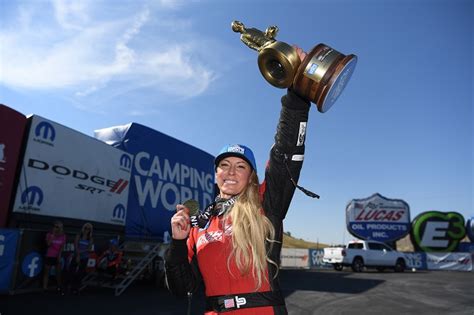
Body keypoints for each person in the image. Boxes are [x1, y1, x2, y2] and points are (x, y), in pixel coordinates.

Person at [165, 48, 314, 314]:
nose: (231, 171)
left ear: (251, 176)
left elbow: (285, 155)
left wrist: (297, 95)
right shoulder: (199, 223)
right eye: (224, 165)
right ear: (215, 174)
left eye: (240, 166)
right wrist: (177, 242)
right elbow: (181, 288)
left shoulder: (266, 205)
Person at [67, 222, 94, 294]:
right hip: (76, 255)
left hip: (84, 257)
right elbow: (76, 246)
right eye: (86, 228)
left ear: (90, 230)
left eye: (89, 229)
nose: (87, 230)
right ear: (83, 228)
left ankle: (76, 288)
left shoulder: (90, 238)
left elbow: (89, 249)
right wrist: (78, 255)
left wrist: (80, 252)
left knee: (80, 273)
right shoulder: (78, 235)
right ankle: (70, 286)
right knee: (71, 271)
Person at [43, 220, 66, 294]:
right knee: (46, 272)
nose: (57, 228)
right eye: (55, 226)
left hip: (57, 256)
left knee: (58, 273)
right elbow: (48, 244)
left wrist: (59, 256)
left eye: (58, 227)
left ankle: (59, 287)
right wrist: (52, 235)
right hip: (49, 255)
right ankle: (45, 288)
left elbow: (62, 247)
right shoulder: (49, 234)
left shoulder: (63, 236)